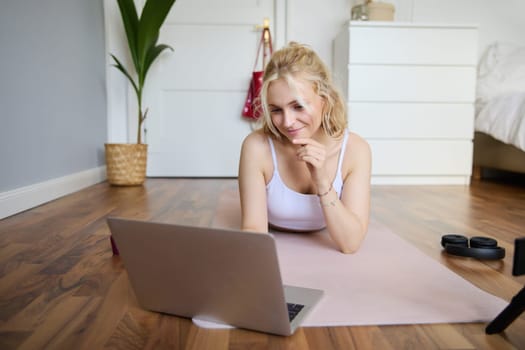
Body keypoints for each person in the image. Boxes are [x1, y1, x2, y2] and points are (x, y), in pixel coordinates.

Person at [238, 42, 371, 254]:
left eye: (298, 106)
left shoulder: (355, 150)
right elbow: (254, 229)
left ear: (325, 101)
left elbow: (350, 243)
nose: (288, 122)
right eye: (276, 110)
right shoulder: (256, 146)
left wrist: (321, 180)